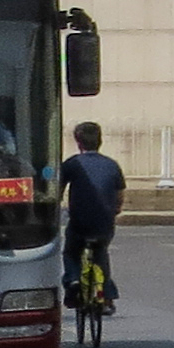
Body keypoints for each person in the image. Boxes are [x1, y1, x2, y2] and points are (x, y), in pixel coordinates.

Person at [60, 121, 125, 310]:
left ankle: (73, 279)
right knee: (100, 251)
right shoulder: (112, 165)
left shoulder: (72, 164)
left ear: (78, 143)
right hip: (104, 223)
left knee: (71, 252)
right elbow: (119, 195)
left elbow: (58, 190)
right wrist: (115, 209)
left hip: (80, 222)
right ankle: (107, 296)